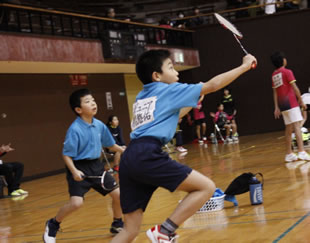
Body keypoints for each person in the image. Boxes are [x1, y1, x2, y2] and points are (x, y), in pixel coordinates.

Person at [110, 49, 257, 243]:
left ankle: (164, 232)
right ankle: (165, 231)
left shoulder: (142, 97)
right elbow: (213, 85)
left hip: (130, 158)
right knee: (206, 187)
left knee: (129, 230)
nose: (177, 72)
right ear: (157, 76)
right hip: (147, 153)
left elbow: (172, 115)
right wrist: (245, 66)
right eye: (171, 68)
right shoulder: (168, 89)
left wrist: (194, 98)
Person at [43, 89, 125, 243]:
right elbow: (66, 154)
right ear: (78, 110)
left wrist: (123, 150)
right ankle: (53, 224)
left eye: (93, 100)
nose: (93, 103)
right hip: (79, 167)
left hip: (97, 166)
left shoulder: (99, 125)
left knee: (118, 195)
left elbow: (110, 144)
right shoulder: (75, 129)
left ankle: (117, 223)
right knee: (76, 203)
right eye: (87, 101)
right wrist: (74, 171)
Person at [271, 51, 310, 162]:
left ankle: (289, 154)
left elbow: (275, 92)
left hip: (283, 105)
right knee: (297, 126)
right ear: (283, 60)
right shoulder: (287, 72)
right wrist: (301, 100)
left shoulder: (274, 74)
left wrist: (276, 107)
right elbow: (295, 87)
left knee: (288, 129)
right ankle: (302, 152)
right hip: (292, 103)